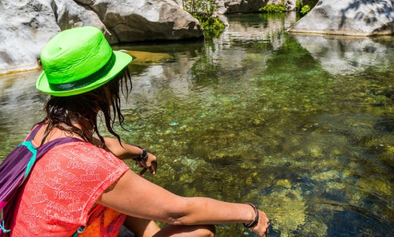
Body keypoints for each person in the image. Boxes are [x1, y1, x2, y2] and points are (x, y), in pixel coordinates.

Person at [10, 26, 270, 237]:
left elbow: (102, 146)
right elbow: (179, 211)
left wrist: (140, 153)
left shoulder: (43, 132)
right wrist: (250, 213)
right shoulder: (86, 163)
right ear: (105, 89)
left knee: (111, 191)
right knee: (200, 229)